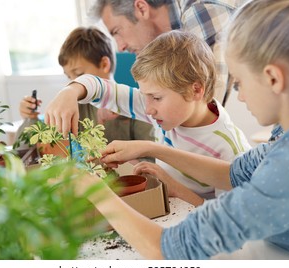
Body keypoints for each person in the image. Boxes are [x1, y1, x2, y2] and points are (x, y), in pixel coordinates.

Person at [73, 0, 289, 259]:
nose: (241, 95)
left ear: (273, 78)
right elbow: (235, 174)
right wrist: (149, 147)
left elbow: (167, 249)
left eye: (239, 83)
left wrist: (96, 191)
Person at [44, 30, 251, 206]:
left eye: (156, 97)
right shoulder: (161, 110)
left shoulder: (228, 148)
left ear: (195, 90)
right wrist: (69, 92)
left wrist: (174, 187)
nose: (148, 109)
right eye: (145, 96)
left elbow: (228, 219)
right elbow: (100, 88)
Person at [89, 0, 247, 105]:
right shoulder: (179, 36)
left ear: (141, 8)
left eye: (117, 31)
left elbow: (203, 111)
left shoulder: (199, 12)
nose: (120, 46)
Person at [15, 26, 154, 145]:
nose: (73, 83)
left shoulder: (133, 106)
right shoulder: (74, 107)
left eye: (79, 74)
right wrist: (30, 119)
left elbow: (153, 159)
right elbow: (31, 150)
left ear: (104, 64)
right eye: (69, 76)